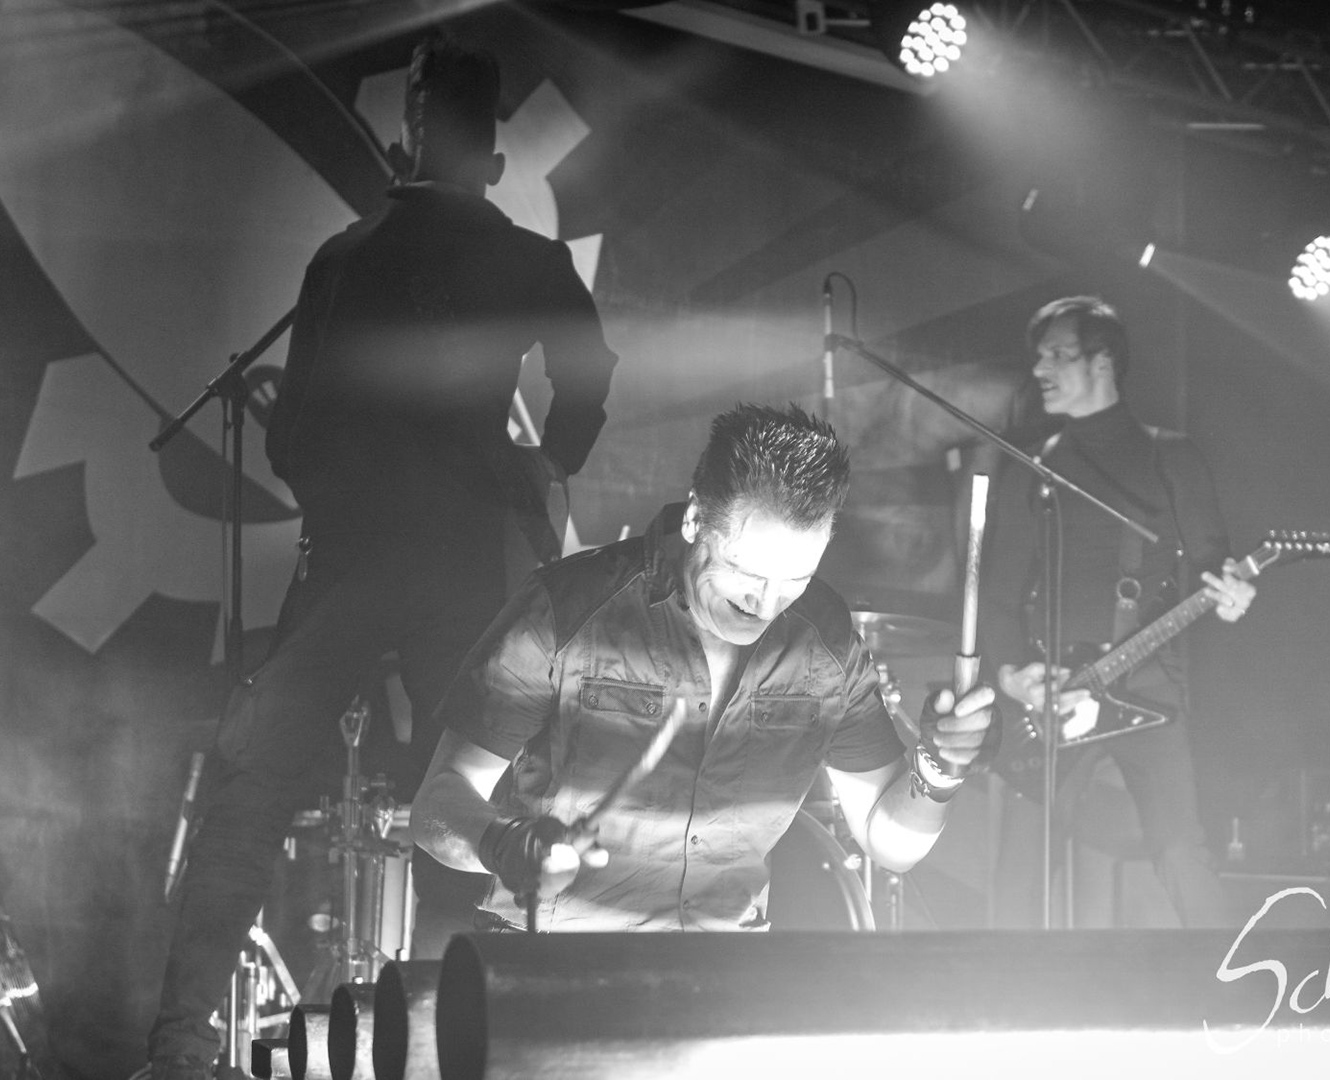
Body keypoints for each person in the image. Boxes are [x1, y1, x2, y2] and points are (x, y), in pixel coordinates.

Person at [148, 32, 618, 1079]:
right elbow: (590, 377)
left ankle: (179, 1046)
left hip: (350, 563)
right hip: (465, 565)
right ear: (494, 158)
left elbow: (291, 434)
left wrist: (343, 498)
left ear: (406, 143)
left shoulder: (344, 255)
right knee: (471, 796)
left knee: (253, 797)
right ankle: (475, 1047)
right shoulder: (527, 260)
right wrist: (548, 467)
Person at [412, 404, 996, 931]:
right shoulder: (566, 609)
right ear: (695, 519)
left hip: (724, 975)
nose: (766, 604)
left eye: (795, 580)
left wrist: (940, 771)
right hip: (557, 963)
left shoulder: (825, 640)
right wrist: (505, 845)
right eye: (747, 573)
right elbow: (437, 806)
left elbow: (893, 845)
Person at [978, 296, 1253, 929]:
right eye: (1039, 356)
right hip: (1055, 692)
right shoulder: (1035, 469)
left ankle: (1235, 984)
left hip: (1148, 685)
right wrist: (1014, 676)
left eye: (1058, 354)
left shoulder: (1171, 456)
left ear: (1102, 360)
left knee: (1181, 852)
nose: (1040, 369)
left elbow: (1214, 564)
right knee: (1020, 871)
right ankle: (998, 990)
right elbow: (998, 595)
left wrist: (1234, 596)